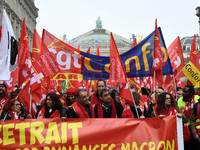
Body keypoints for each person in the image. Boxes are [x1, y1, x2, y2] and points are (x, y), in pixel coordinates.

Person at [177, 85, 199, 150]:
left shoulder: (197, 98)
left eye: (185, 92)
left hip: (196, 128)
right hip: (185, 128)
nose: (183, 93)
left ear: (192, 93)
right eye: (183, 91)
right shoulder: (180, 100)